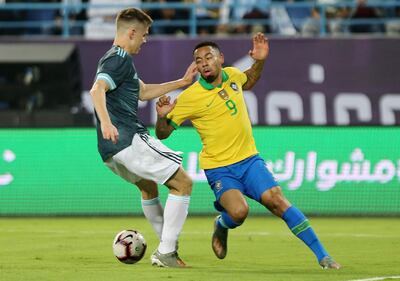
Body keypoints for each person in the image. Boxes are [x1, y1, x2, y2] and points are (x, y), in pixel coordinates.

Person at [155, 33, 341, 269]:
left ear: (220, 58)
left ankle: (323, 257)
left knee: (278, 201)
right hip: (220, 168)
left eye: (208, 57)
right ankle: (222, 224)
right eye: (198, 60)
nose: (203, 63)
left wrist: (260, 61)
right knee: (240, 212)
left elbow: (248, 81)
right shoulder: (189, 97)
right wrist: (161, 118)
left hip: (250, 161)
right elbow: (163, 133)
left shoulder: (232, 74)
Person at [89, 7, 198, 268]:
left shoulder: (115, 59)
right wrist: (106, 122)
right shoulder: (119, 59)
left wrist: (182, 82)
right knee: (183, 182)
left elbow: (144, 91)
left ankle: (166, 246)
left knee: (148, 187)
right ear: (132, 32)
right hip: (128, 138)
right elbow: (96, 90)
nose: (145, 40)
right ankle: (166, 251)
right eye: (145, 35)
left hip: (109, 149)